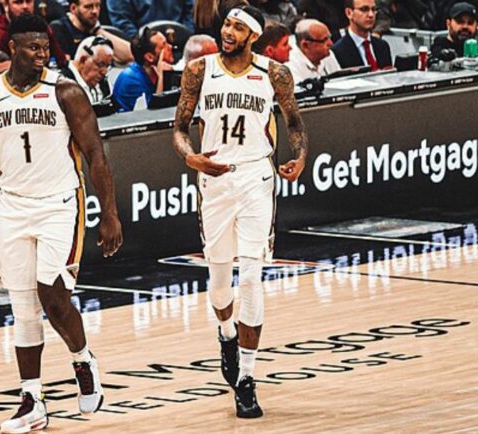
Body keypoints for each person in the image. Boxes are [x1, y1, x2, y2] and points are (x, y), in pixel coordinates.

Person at [0, 13, 123, 434]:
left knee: (52, 295)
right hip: (13, 207)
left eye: (46, 49)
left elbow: (96, 155)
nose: (41, 55)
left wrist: (110, 214)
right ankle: (31, 400)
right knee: (23, 309)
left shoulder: (66, 91)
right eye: (33, 48)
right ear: (13, 48)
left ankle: (83, 359)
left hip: (60, 204)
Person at [172, 5, 307, 419]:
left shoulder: (274, 73)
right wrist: (191, 157)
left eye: (237, 27)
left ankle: (247, 378)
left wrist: (299, 156)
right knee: (218, 282)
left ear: (253, 36)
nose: (228, 31)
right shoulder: (199, 69)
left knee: (250, 276)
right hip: (214, 178)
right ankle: (226, 333)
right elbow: (178, 128)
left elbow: (295, 124)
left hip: (254, 177)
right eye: (227, 24)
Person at [0, 0, 68, 69]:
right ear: (6, 5)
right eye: (18, 2)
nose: (25, 6)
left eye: (29, 1)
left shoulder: (42, 28)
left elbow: (61, 61)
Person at [50, 0, 133, 64]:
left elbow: (130, 56)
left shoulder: (98, 31)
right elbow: (65, 64)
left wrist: (97, 30)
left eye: (98, 6)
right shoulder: (59, 29)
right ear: (73, 8)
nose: (95, 11)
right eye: (88, 7)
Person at [112, 27, 174, 112]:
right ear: (149, 57)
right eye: (164, 45)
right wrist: (161, 78)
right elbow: (154, 115)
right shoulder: (131, 80)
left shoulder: (157, 70)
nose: (170, 47)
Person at [332, 0, 392, 70]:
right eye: (364, 9)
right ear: (349, 13)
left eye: (373, 9)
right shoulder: (338, 51)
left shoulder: (383, 46)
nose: (371, 15)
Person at [61, 36, 115, 104]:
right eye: (100, 65)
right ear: (83, 60)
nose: (104, 72)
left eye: (107, 66)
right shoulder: (61, 85)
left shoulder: (105, 86)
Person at [286, 18, 341, 83]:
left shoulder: (328, 55)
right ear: (305, 45)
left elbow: (341, 81)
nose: (331, 44)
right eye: (324, 40)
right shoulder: (290, 66)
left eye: (329, 38)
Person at [107, 0, 196, 39]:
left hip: (179, 45)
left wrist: (185, 37)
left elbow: (190, 12)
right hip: (140, 51)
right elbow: (123, 24)